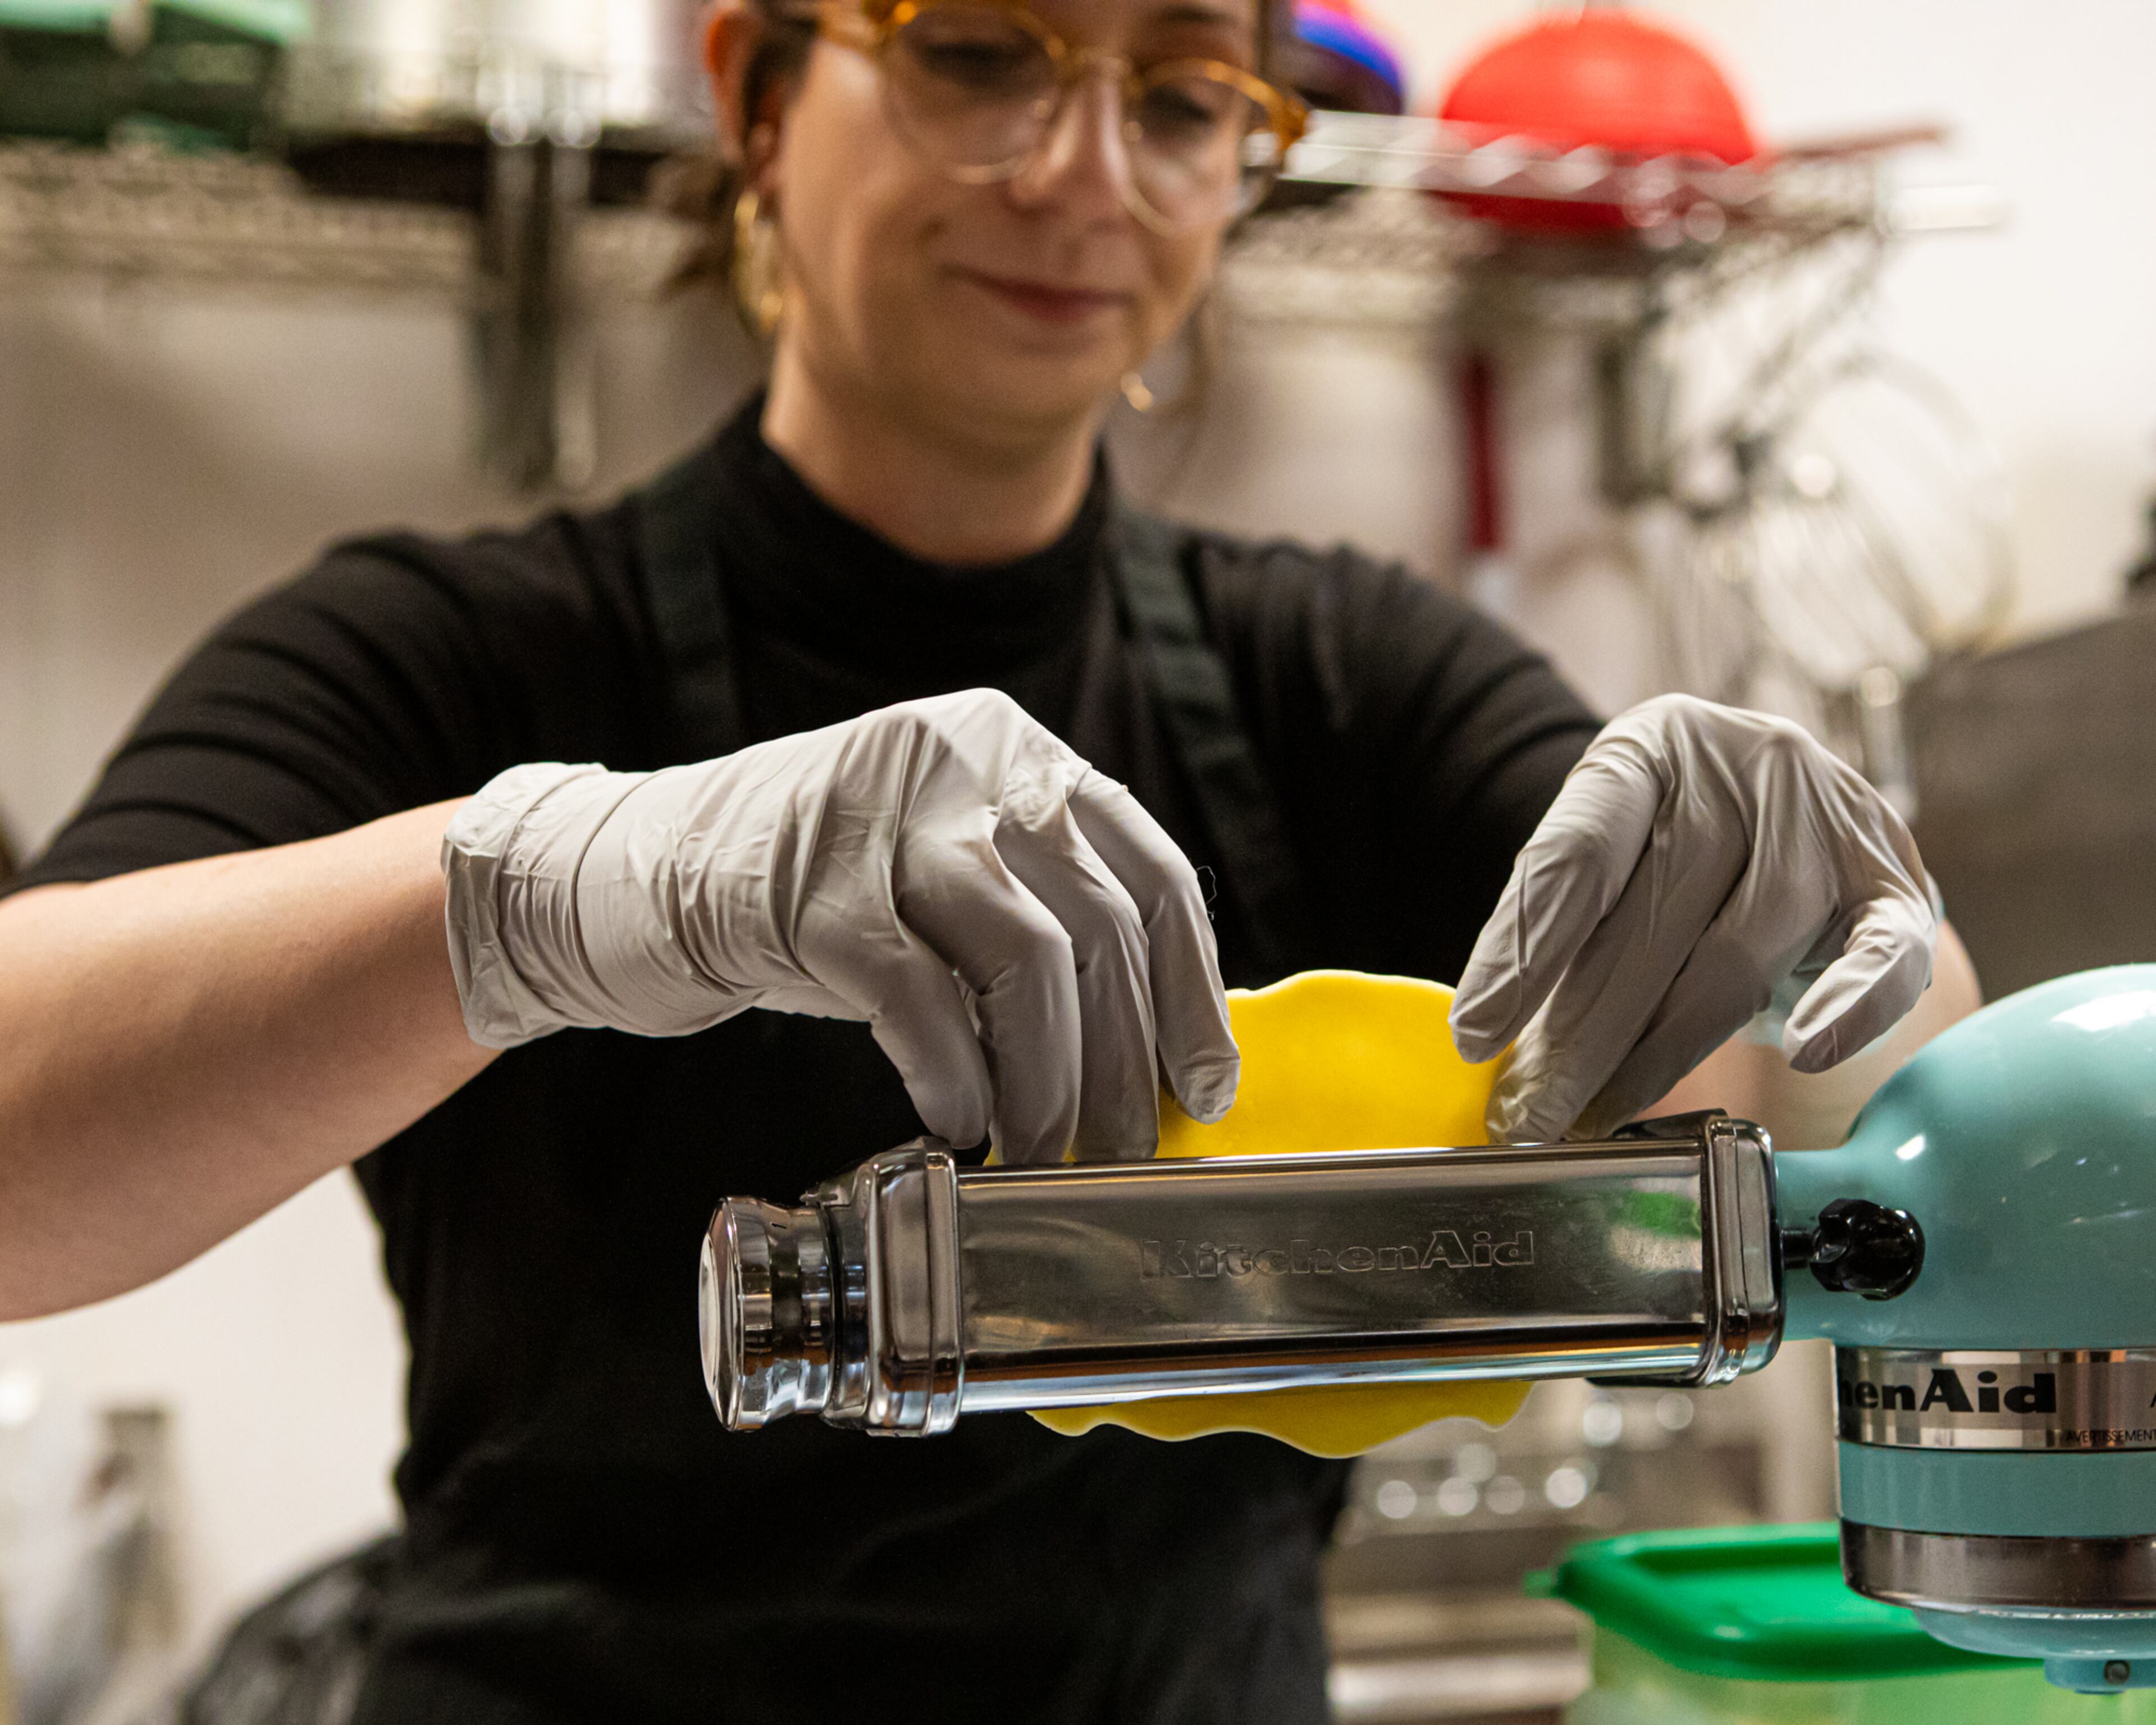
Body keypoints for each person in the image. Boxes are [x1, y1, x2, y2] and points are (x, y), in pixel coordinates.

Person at [0, 1, 1970, 1718]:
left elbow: (1840, 1116)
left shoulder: (1346, 678)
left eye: (1189, 93)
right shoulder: (448, 654)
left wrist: (1837, 943)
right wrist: (544, 895)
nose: (1083, 173)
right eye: (974, 54)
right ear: (760, 97)